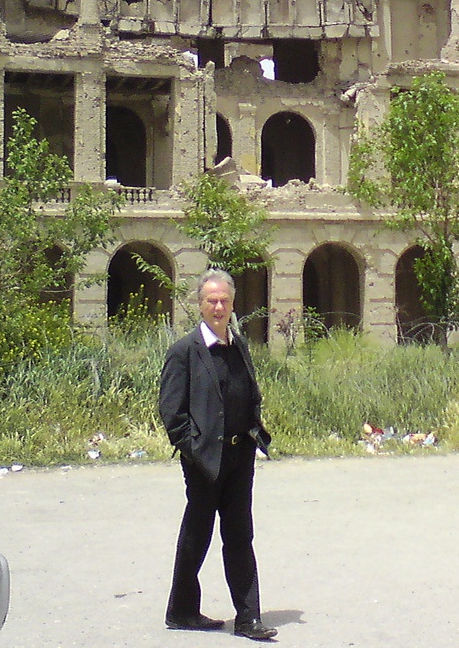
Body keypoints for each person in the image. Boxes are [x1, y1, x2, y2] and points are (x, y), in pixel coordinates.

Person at [158, 269, 277, 640]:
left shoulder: (238, 344)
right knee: (198, 534)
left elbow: (248, 391)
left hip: (241, 457)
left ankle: (247, 618)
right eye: (211, 300)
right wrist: (193, 450)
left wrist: (255, 428)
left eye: (224, 300)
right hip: (205, 461)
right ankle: (182, 610)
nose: (218, 306)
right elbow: (171, 410)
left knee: (240, 535)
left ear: (232, 303)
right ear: (200, 304)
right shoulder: (184, 352)